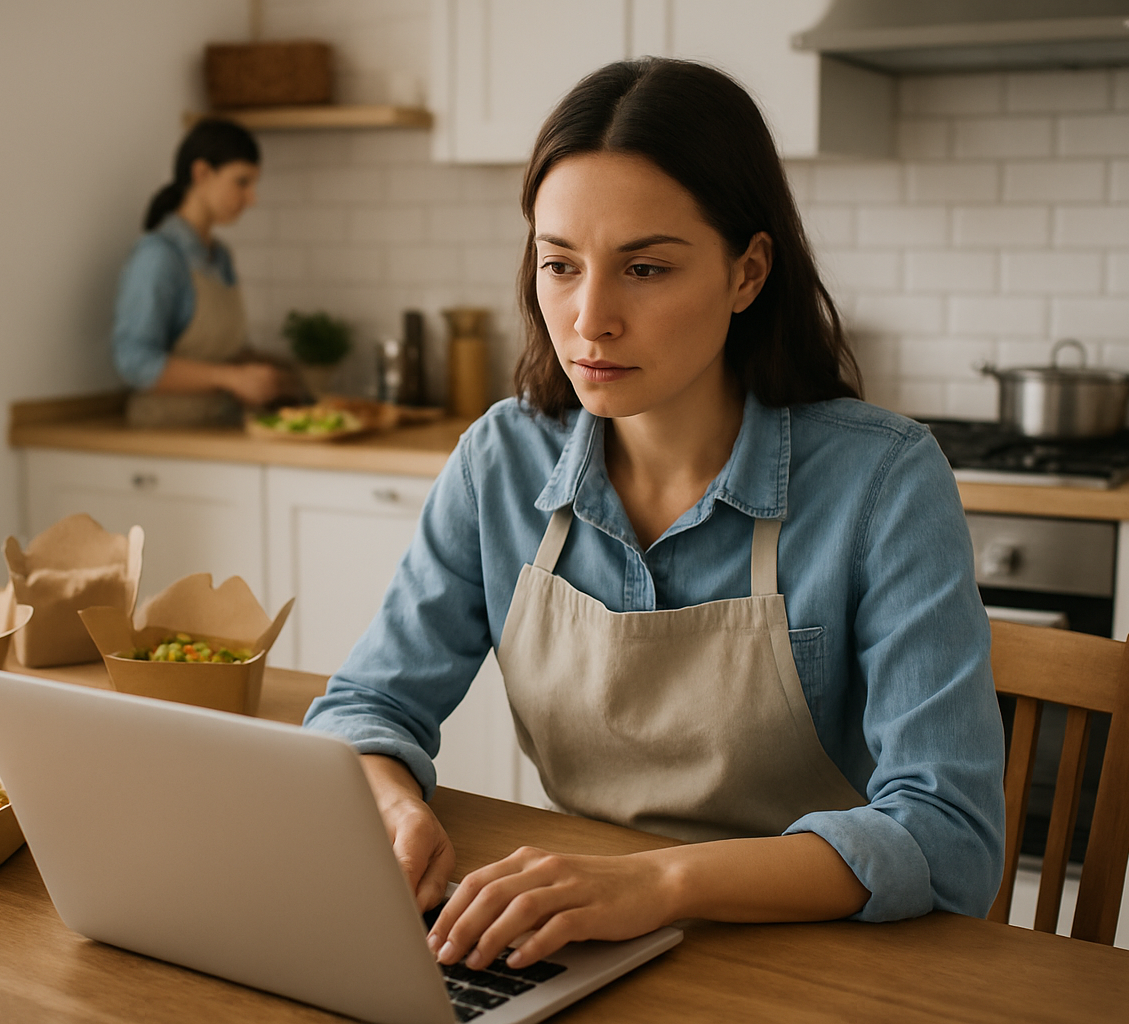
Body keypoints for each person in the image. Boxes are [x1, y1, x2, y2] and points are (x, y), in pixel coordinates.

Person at [302, 57, 1005, 972]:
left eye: (645, 268)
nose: (590, 319)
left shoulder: (884, 481)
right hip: (581, 938)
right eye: (560, 265)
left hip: (825, 960)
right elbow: (365, 706)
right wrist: (395, 815)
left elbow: (949, 837)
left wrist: (661, 885)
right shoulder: (502, 459)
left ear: (747, 272)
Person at [111, 118, 296, 428]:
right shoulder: (159, 257)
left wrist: (269, 373)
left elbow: (219, 352)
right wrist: (230, 378)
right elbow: (133, 361)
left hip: (220, 424)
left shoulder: (220, 256)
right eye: (242, 182)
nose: (252, 198)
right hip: (167, 433)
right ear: (202, 174)